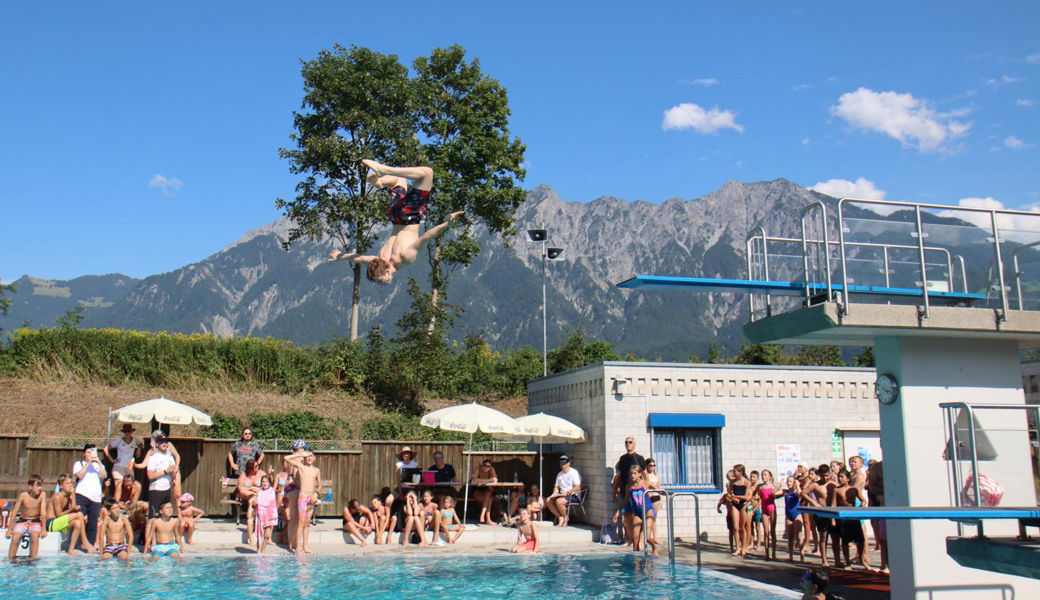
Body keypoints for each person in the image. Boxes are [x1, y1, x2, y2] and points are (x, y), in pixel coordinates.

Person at [328, 160, 463, 286]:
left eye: (381, 281)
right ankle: (380, 182)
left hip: (409, 214)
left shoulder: (404, 258)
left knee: (427, 173)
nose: (381, 284)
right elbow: (360, 258)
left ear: (387, 272)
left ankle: (383, 170)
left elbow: (426, 237)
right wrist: (341, 256)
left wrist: (447, 225)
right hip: (394, 213)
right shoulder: (379, 260)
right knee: (400, 180)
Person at [47, 474, 94, 555]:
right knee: (79, 514)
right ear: (61, 486)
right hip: (51, 523)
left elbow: (74, 508)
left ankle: (71, 550)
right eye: (67, 483)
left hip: (58, 523)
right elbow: (58, 515)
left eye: (71, 483)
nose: (70, 485)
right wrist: (72, 508)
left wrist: (73, 495)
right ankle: (84, 542)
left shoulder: (68, 496)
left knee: (77, 523)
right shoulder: (57, 497)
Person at [285, 450, 321, 554]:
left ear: (314, 458)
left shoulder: (316, 470)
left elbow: (319, 485)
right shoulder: (301, 467)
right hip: (303, 496)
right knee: (301, 521)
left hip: (311, 498)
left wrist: (316, 493)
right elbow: (286, 459)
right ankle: (298, 547)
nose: (309, 458)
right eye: (307, 456)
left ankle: (305, 547)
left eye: (311, 456)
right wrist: (301, 454)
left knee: (307, 522)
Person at [134, 430, 183, 505]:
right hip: (162, 474)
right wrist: (135, 465)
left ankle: (180, 515)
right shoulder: (152, 450)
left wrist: (176, 467)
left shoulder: (168, 444)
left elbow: (177, 456)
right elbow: (144, 464)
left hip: (173, 470)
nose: (163, 442)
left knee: (177, 494)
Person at [6, 475, 47, 560]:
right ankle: (10, 559)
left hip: (35, 522)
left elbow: (43, 512)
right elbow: (14, 512)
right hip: (22, 521)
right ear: (30, 487)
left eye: (41, 486)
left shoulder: (42, 495)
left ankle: (33, 559)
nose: (40, 488)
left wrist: (43, 529)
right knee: (15, 537)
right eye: (38, 485)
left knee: (35, 536)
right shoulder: (23, 495)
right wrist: (10, 529)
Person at [74, 444, 107, 548]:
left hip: (95, 498)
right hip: (82, 495)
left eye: (91, 453)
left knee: (93, 523)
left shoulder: (98, 465)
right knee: (82, 519)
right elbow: (79, 475)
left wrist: (98, 461)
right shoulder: (79, 463)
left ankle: (90, 544)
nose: (90, 455)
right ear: (84, 454)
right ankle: (81, 542)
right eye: (88, 453)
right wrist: (88, 463)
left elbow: (103, 475)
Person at [105, 424, 142, 505]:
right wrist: (112, 460)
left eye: (129, 431)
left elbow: (141, 445)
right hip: (119, 466)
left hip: (129, 466)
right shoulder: (119, 440)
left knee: (130, 485)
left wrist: (138, 449)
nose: (127, 433)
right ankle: (118, 504)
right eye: (125, 431)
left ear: (131, 432)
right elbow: (106, 448)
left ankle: (130, 504)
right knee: (119, 485)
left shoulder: (135, 440)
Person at [145, 435, 178, 518]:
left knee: (165, 516)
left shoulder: (170, 457)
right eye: (161, 442)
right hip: (156, 489)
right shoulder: (153, 458)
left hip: (167, 489)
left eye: (165, 442)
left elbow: (173, 475)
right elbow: (150, 475)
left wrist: (174, 472)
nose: (164, 444)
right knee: (153, 516)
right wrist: (165, 471)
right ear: (156, 444)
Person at [546, 456, 581, 527]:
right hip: (562, 495)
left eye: (564, 463)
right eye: (561, 463)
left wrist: (568, 492)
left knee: (559, 501)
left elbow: (577, 487)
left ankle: (566, 517)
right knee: (548, 500)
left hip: (572, 495)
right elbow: (556, 487)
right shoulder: (559, 474)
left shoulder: (574, 472)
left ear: (568, 463)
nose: (563, 464)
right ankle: (560, 517)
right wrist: (554, 494)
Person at [866, 460, 888, 573]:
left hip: (901, 508)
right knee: (884, 540)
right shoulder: (878, 467)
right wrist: (889, 487)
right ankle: (884, 564)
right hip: (884, 507)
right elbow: (872, 488)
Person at [728, 464, 752, 557]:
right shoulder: (732, 482)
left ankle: (744, 547)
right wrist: (733, 499)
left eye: (735, 471)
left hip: (744, 505)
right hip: (735, 504)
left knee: (743, 526)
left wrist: (735, 496)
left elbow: (746, 497)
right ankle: (737, 548)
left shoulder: (747, 482)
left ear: (740, 472)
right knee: (735, 527)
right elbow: (729, 494)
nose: (734, 473)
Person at [237, 459, 263, 546]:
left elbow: (267, 484)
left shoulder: (261, 473)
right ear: (250, 468)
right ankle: (251, 538)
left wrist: (258, 490)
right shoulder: (243, 475)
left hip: (258, 496)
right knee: (251, 496)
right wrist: (251, 488)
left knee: (254, 499)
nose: (257, 467)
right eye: (256, 466)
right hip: (247, 494)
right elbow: (240, 488)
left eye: (258, 465)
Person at [756, 469, 781, 560]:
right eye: (762, 475)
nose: (763, 476)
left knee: (772, 532)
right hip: (764, 509)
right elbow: (754, 493)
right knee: (766, 532)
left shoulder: (774, 486)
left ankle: (774, 553)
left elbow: (779, 493)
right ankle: (767, 553)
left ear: (770, 477)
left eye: (765, 475)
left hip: (772, 508)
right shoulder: (760, 487)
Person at [98, 498, 131, 563]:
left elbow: (131, 535)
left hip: (121, 545)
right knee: (103, 560)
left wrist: (128, 551)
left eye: (118, 507)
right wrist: (101, 553)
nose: (117, 510)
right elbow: (101, 536)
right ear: (109, 511)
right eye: (114, 508)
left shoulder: (123, 518)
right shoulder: (107, 519)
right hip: (109, 545)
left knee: (125, 559)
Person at [252, 476, 278, 554]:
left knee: (267, 535)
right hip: (261, 514)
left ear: (269, 483)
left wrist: (271, 474)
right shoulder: (259, 491)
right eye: (263, 482)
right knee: (260, 534)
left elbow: (275, 483)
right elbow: (255, 500)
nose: (265, 483)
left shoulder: (272, 490)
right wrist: (254, 502)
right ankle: (258, 551)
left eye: (266, 482)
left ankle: (263, 550)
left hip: (269, 515)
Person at [783, 475, 807, 562]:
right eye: (788, 481)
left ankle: (802, 556)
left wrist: (798, 486)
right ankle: (791, 556)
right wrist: (780, 484)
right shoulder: (786, 492)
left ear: (794, 483)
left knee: (799, 536)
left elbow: (801, 496)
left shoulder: (796, 492)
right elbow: (774, 493)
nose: (789, 483)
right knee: (790, 537)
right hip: (789, 516)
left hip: (797, 515)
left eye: (790, 481)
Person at [470, 459, 499, 526]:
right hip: (477, 489)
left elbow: (495, 480)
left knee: (489, 495)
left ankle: (483, 514)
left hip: (486, 490)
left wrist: (482, 481)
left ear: (490, 467)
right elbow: (475, 480)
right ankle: (487, 519)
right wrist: (489, 480)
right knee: (489, 499)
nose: (486, 468)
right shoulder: (478, 469)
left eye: (488, 466)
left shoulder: (491, 470)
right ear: (482, 465)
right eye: (485, 465)